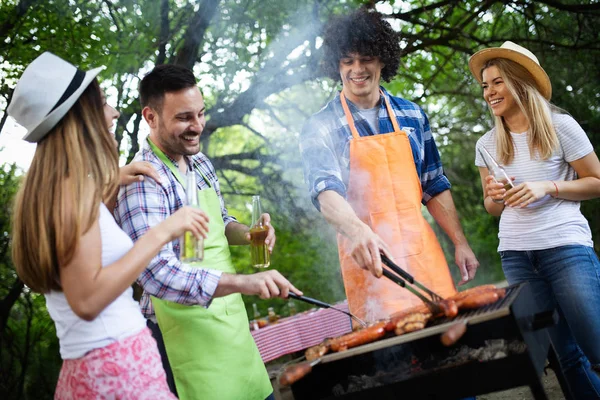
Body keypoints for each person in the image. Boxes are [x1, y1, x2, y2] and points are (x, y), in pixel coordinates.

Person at [8, 52, 211, 398]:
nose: (114, 112)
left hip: (91, 365)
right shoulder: (71, 195)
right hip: (117, 368)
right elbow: (88, 300)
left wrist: (108, 186)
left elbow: (81, 251)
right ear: (80, 116)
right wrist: (164, 230)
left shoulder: (51, 192)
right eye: (103, 103)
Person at [114, 64, 301, 400]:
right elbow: (156, 274)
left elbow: (222, 222)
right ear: (151, 117)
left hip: (232, 329)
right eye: (185, 117)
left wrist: (249, 233)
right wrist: (246, 282)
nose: (198, 126)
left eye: (200, 113)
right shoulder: (143, 182)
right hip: (185, 339)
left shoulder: (200, 163)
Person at [300, 9, 479, 322]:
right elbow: (325, 192)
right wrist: (358, 231)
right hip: (371, 265)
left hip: (424, 257)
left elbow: (435, 185)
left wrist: (460, 243)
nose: (357, 69)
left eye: (366, 58)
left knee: (450, 337)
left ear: (382, 59)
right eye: (347, 60)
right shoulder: (321, 126)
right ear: (336, 65)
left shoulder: (412, 116)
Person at [470, 41, 600, 398]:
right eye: (484, 85)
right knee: (565, 357)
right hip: (516, 256)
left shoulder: (562, 127)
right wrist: (495, 197)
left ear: (520, 82)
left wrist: (548, 187)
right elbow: (491, 207)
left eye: (497, 82)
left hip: (565, 248)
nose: (489, 92)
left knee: (596, 347)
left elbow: (597, 182)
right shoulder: (486, 144)